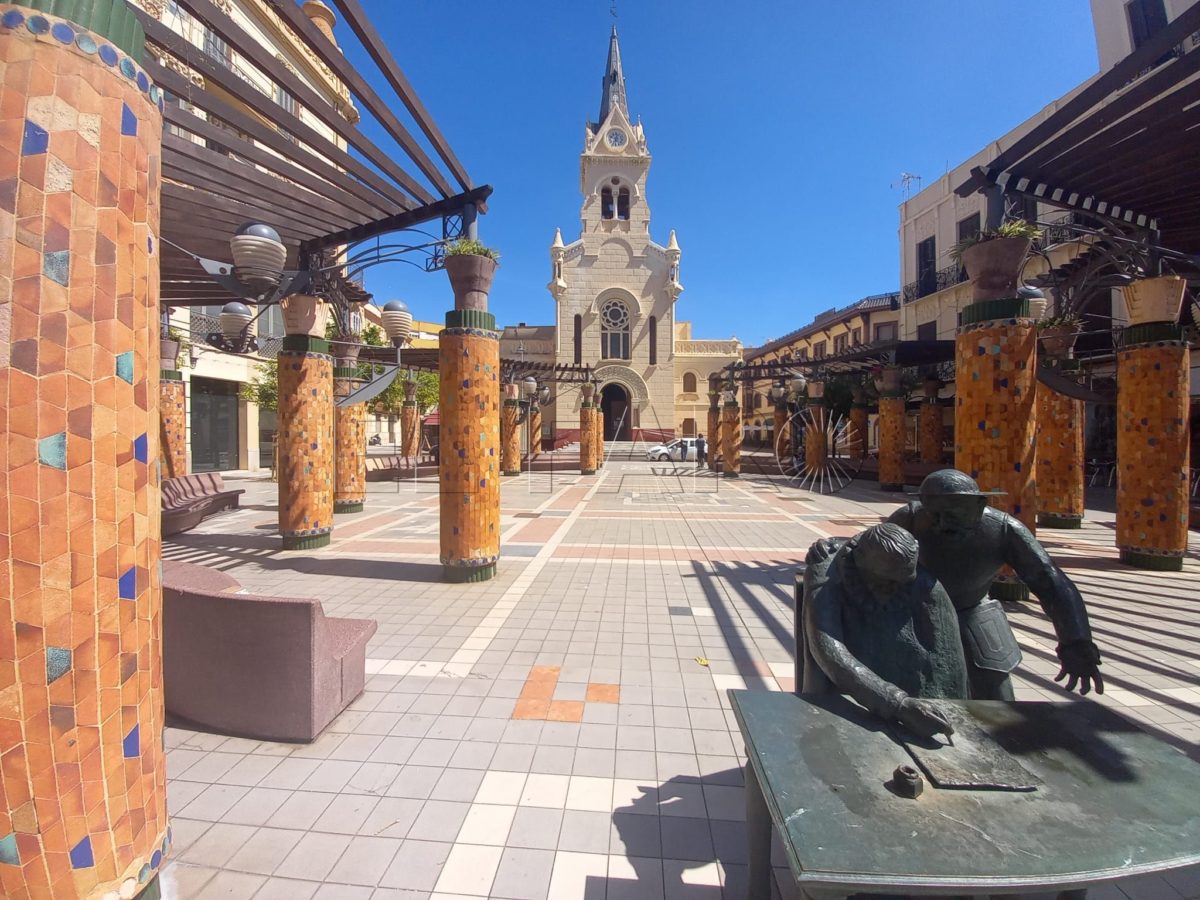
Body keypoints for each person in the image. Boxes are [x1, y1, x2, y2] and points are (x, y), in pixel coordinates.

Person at [807, 469, 1103, 701]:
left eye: (953, 514)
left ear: (979, 505)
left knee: (996, 692)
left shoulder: (1004, 529)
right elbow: (875, 544)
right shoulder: (912, 517)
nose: (941, 524)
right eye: (934, 514)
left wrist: (1076, 641)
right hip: (919, 613)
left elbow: (1050, 581)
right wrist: (834, 547)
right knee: (913, 678)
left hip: (973, 612)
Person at [803, 523, 966, 739]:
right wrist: (898, 704)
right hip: (845, 696)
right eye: (885, 581)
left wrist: (943, 714)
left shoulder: (923, 582)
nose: (893, 589)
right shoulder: (826, 572)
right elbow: (827, 648)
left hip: (908, 695)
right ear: (860, 560)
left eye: (903, 581)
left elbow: (949, 665)